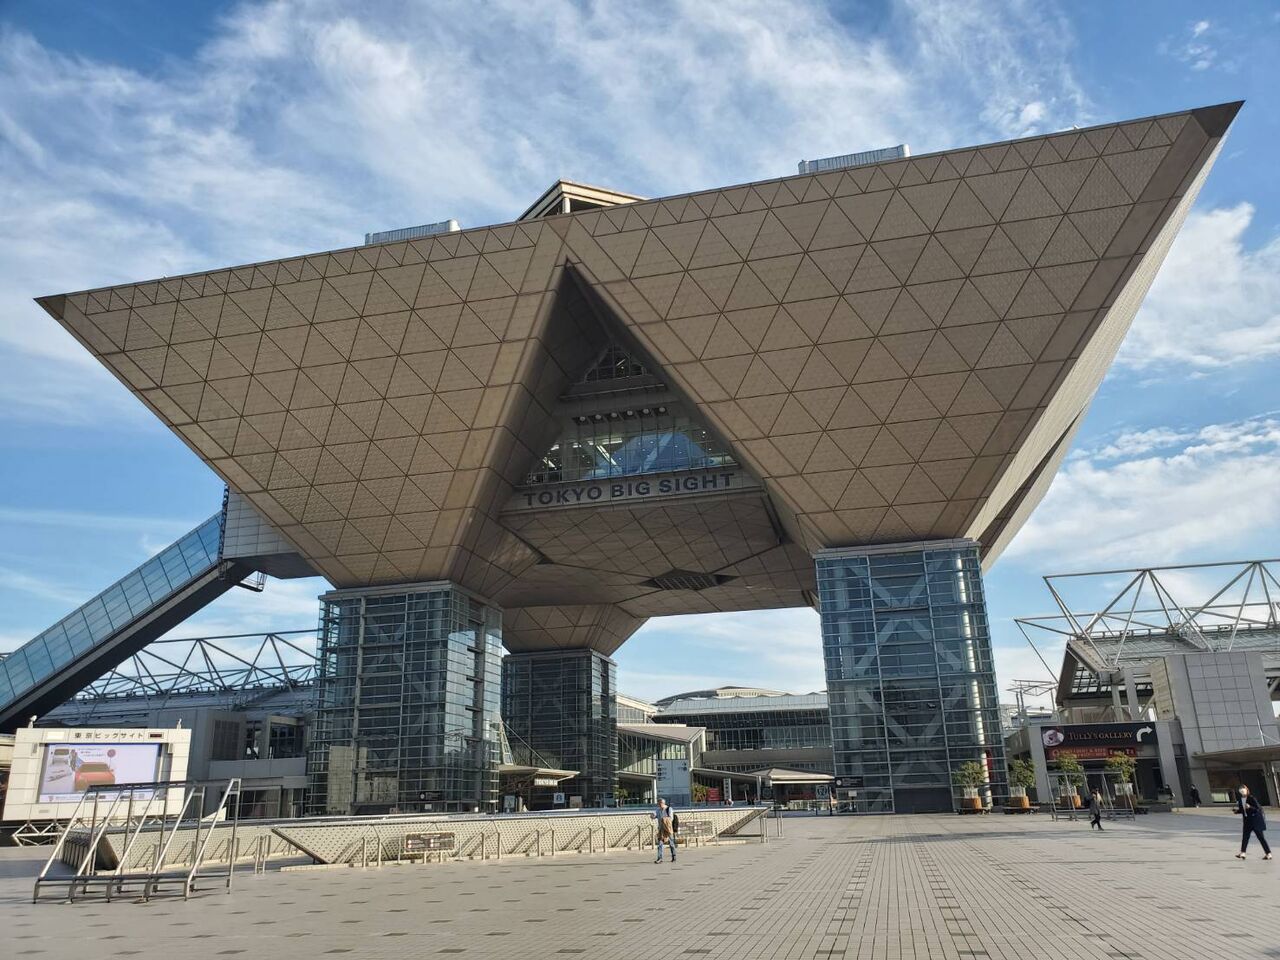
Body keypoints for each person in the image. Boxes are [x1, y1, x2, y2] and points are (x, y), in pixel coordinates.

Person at [1234, 785, 1272, 860]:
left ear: (1246, 790)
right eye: (1241, 791)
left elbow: (1258, 809)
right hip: (1247, 821)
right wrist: (1237, 811)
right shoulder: (1241, 799)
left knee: (1261, 838)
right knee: (1245, 837)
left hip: (1255, 821)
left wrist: (1250, 807)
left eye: (1243, 790)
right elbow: (1242, 809)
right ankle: (1243, 853)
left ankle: (1268, 853)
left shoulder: (1251, 798)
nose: (1242, 792)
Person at [653, 798, 677, 863]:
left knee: (671, 843)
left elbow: (671, 818)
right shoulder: (658, 810)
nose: (658, 805)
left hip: (668, 829)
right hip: (661, 829)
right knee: (660, 844)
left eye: (659, 803)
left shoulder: (669, 809)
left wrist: (664, 819)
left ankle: (674, 856)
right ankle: (660, 858)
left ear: (662, 803)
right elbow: (654, 815)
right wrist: (652, 816)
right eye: (658, 803)